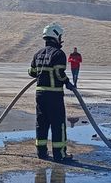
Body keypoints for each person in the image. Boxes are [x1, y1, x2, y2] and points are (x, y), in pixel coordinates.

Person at [28, 23, 75, 162]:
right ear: (55, 36)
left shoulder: (38, 54)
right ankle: (59, 154)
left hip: (40, 95)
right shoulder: (58, 54)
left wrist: (41, 72)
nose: (61, 39)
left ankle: (41, 152)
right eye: (60, 36)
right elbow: (59, 73)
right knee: (57, 124)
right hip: (54, 95)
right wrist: (67, 82)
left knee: (41, 123)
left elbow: (32, 72)